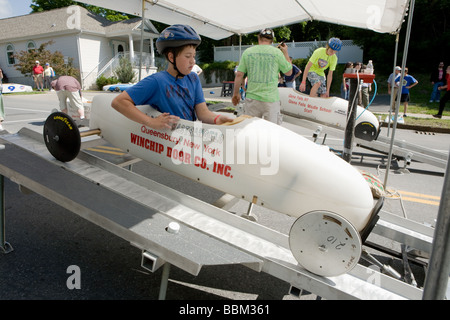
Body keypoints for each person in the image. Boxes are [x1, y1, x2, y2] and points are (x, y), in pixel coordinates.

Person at [111, 24, 233, 130]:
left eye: (194, 56)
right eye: (187, 56)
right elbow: (119, 102)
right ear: (171, 57)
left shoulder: (193, 79)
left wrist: (218, 118)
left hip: (187, 139)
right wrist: (151, 122)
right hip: (167, 142)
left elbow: (203, 113)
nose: (193, 61)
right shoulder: (157, 81)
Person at [231, 28, 292, 125]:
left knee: (251, 131)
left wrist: (236, 93)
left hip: (252, 98)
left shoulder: (248, 52)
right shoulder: (277, 53)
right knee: (271, 133)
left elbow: (239, 74)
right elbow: (289, 72)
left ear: (259, 38)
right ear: (272, 40)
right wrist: (285, 52)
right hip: (271, 100)